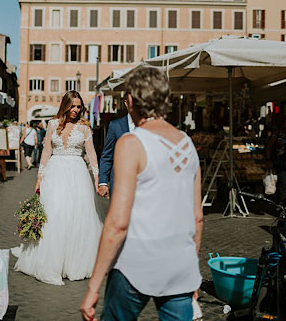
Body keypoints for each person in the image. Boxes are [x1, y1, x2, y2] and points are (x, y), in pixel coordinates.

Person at [79, 67, 203, 321]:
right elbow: (197, 217)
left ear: (133, 100)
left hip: (135, 263)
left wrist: (94, 285)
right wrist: (193, 272)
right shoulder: (187, 144)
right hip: (180, 267)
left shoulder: (132, 143)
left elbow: (117, 223)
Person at [13, 91, 104, 285]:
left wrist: (97, 177)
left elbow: (92, 154)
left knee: (77, 215)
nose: (76, 110)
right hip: (54, 173)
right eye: (73, 106)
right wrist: (39, 177)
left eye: (79, 107)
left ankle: (73, 263)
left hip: (77, 173)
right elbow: (46, 151)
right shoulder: (52, 124)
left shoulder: (85, 127)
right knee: (55, 213)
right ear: (65, 105)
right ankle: (52, 261)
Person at [97, 95, 135, 198]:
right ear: (126, 103)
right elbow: (107, 155)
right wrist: (103, 182)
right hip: (120, 182)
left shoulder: (148, 125)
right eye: (133, 101)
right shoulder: (115, 125)